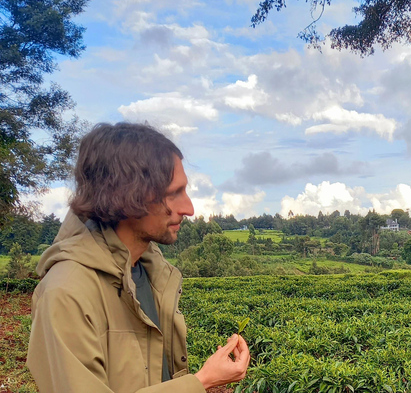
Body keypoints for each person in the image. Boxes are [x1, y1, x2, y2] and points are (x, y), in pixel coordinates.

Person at [27, 122, 250, 393]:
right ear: (128, 196)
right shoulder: (66, 292)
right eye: (173, 193)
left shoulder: (150, 274)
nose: (189, 208)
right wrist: (202, 381)